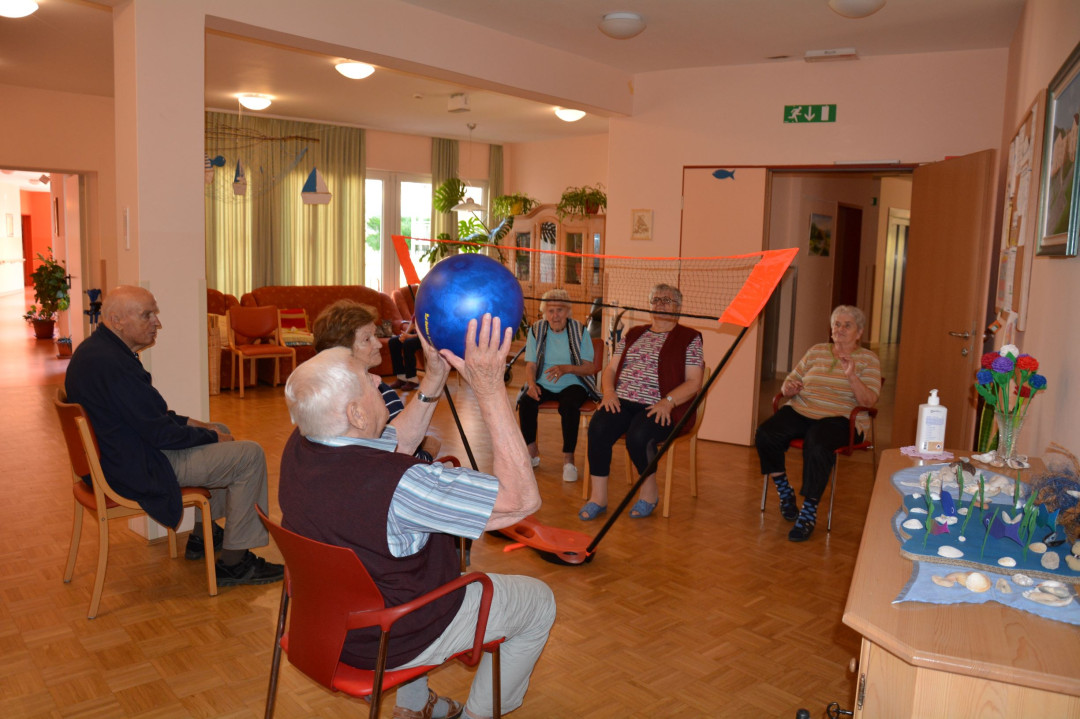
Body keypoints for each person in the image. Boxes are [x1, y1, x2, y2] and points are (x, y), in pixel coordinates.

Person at [280, 315, 555, 719]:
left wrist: (433, 379)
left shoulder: (302, 444)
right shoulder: (403, 486)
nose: (378, 380)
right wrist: (491, 389)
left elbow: (400, 441)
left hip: (324, 624)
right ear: (356, 415)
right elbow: (521, 501)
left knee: (398, 567)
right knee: (538, 602)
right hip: (396, 634)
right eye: (367, 381)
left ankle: (412, 706)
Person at [65, 285, 283, 586]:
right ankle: (235, 563)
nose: (157, 322)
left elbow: (147, 416)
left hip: (122, 455)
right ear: (117, 320)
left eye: (155, 313)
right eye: (147, 315)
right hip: (139, 466)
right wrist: (209, 438)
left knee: (219, 427)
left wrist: (200, 425)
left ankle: (205, 535)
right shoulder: (113, 365)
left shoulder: (98, 352)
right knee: (250, 454)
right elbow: (159, 433)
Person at [756, 305, 882, 542]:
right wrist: (788, 388)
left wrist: (852, 375)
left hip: (842, 419)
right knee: (765, 433)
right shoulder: (816, 351)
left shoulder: (868, 359)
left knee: (817, 440)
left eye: (847, 325)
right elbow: (789, 382)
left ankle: (809, 511)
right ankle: (784, 491)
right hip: (803, 409)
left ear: (859, 332)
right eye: (837, 324)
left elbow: (869, 401)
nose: (840, 329)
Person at [580, 283, 705, 521]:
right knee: (598, 428)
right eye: (656, 300)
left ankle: (649, 493)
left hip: (659, 406)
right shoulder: (634, 334)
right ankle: (598, 498)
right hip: (621, 400)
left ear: (678, 307)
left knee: (639, 437)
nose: (660, 304)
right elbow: (610, 370)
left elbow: (694, 382)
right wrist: (608, 392)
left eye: (666, 300)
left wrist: (667, 402)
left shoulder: (690, 338)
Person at [313, 299, 442, 460]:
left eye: (375, 335)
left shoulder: (313, 395)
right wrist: (429, 450)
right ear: (341, 350)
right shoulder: (379, 394)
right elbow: (406, 462)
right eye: (367, 339)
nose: (379, 345)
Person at [516, 288, 598, 483]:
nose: (555, 315)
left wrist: (567, 369)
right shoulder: (537, 329)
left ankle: (568, 459)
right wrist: (531, 384)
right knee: (527, 401)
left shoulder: (579, 331)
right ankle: (532, 450)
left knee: (569, 406)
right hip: (543, 382)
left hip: (574, 383)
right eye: (551, 311)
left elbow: (590, 368)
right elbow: (531, 364)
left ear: (568, 312)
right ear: (545, 313)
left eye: (560, 310)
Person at [388, 317, 423, 390]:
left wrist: (410, 336)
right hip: (416, 334)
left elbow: (430, 331)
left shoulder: (432, 308)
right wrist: (405, 334)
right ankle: (401, 377)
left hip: (428, 337)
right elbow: (412, 322)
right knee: (393, 342)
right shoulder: (418, 306)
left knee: (408, 343)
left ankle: (413, 380)